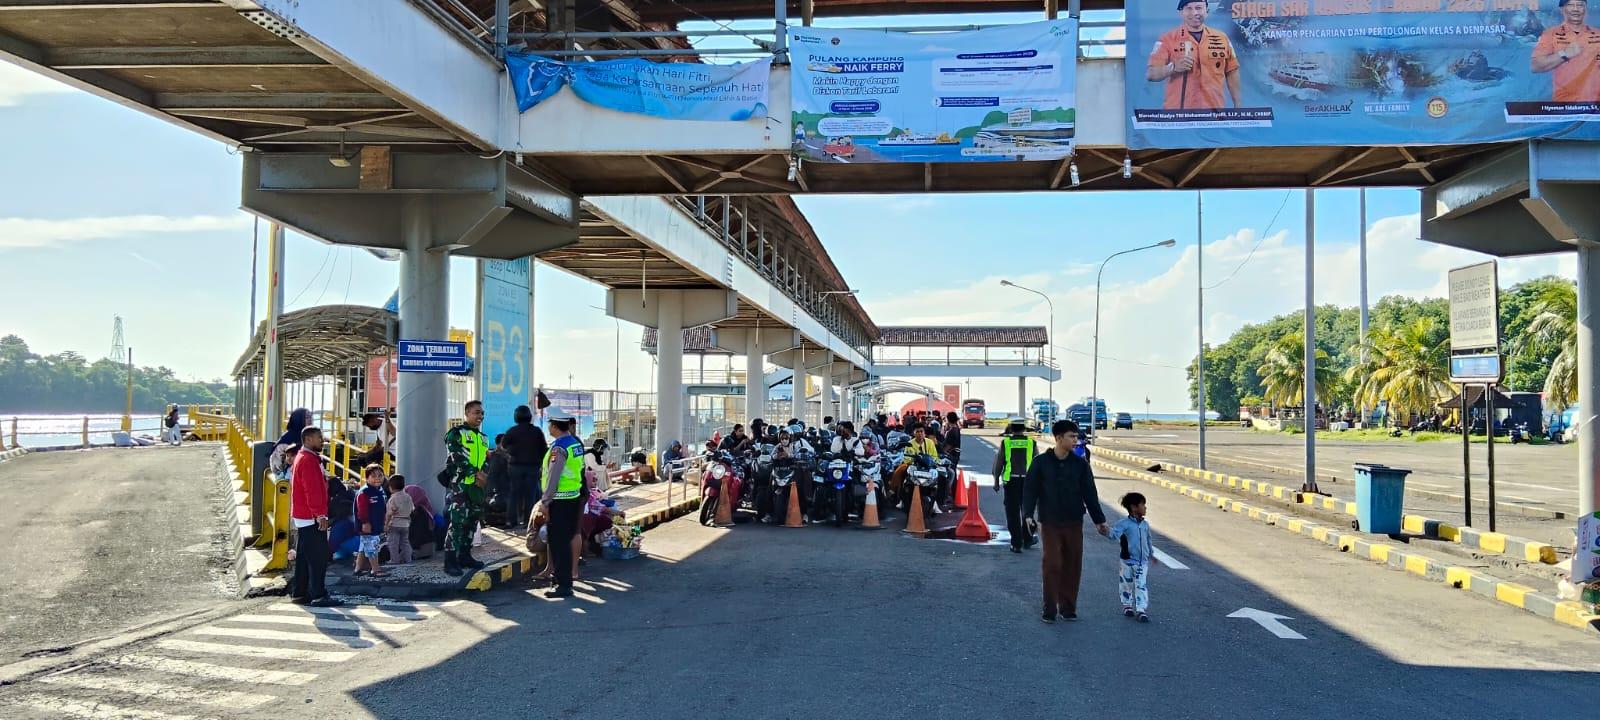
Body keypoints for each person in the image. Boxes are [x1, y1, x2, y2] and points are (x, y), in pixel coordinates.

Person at [1022, 419, 1109, 624]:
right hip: (1050, 522)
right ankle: (1049, 608)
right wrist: (1027, 515)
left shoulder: (1080, 465)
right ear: (1058, 438)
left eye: (1076, 436)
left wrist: (1099, 520)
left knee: (1072, 564)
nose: (1075, 440)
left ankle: (1068, 608)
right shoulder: (1041, 463)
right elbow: (1030, 490)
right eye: (1071, 436)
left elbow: (1090, 493)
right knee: (1052, 563)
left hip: (1073, 521)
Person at [1146, 0, 1242, 109]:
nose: (1194, 13)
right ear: (1181, 12)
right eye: (1189, 8)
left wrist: (1237, 103)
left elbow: (1232, 71)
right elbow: (1151, 74)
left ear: (1207, 11)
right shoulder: (1167, 39)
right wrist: (1173, 67)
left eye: (1198, 8)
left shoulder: (1222, 38)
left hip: (1214, 114)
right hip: (1178, 116)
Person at [289, 426, 342, 607]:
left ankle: (300, 593)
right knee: (318, 558)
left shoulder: (302, 458)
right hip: (311, 515)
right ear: (309, 439)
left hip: (303, 515)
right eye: (319, 437)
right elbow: (312, 490)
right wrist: (320, 514)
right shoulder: (309, 460)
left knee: (304, 557)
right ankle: (319, 594)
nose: (323, 440)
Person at [537, 415, 586, 599]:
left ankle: (563, 584)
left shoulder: (559, 448)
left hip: (559, 500)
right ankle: (562, 581)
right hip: (573, 496)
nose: (549, 428)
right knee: (565, 539)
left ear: (555, 426)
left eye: (550, 425)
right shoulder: (575, 443)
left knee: (558, 544)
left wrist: (545, 501)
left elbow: (553, 477)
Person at [441, 400, 490, 577]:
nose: (480, 416)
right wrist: (476, 474)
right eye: (477, 412)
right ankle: (450, 561)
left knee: (472, 521)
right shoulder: (456, 433)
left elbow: (485, 460)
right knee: (458, 523)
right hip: (460, 485)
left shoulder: (483, 438)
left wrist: (484, 474)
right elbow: (456, 457)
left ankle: (465, 555)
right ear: (467, 413)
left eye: (482, 413)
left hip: (476, 487)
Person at [1531, 0, 1600, 102]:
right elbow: (1535, 66)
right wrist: (1564, 54)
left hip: (1596, 106)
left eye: (1580, 5)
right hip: (1564, 106)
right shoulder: (1550, 34)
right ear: (1562, 9)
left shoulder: (1598, 34)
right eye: (1571, 5)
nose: (1576, 9)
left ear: (1585, 9)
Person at [1108, 492, 1158, 622]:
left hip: (1142, 562)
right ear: (1134, 507)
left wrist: (1151, 554)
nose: (1145, 508)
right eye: (1143, 505)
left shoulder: (1145, 525)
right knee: (1126, 584)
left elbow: (1148, 540)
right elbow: (1114, 535)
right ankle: (1127, 605)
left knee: (1141, 585)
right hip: (1127, 561)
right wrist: (1105, 530)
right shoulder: (1123, 523)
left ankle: (1141, 610)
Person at [991, 419, 1038, 553]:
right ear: (1024, 429)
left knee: (1012, 514)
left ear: (1011, 429)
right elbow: (1037, 464)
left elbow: (999, 463)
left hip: (1011, 482)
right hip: (1029, 483)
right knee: (1027, 512)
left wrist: (995, 481)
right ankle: (1028, 539)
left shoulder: (1006, 443)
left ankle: (1016, 543)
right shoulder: (1031, 443)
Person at [503, 405, 546, 529]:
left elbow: (504, 445)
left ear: (516, 416)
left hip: (515, 467)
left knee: (514, 494)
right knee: (530, 495)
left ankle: (511, 521)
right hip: (533, 467)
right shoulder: (537, 431)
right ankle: (528, 521)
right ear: (529, 416)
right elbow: (543, 449)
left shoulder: (512, 431)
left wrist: (513, 451)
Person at [353, 465, 389, 578]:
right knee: (372, 546)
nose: (377, 478)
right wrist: (365, 523)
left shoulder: (379, 491)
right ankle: (375, 569)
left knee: (364, 546)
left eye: (380, 475)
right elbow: (362, 510)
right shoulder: (364, 492)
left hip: (376, 523)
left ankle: (358, 569)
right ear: (367, 478)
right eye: (373, 476)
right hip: (368, 525)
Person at [891, 424, 940, 503]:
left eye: (921, 431)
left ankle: (937, 501)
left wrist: (934, 462)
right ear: (913, 433)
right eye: (917, 431)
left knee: (942, 475)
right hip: (914, 466)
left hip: (928, 466)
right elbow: (907, 459)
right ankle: (899, 496)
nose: (920, 433)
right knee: (901, 470)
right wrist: (912, 461)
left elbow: (934, 456)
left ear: (924, 433)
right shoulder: (909, 443)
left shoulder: (930, 442)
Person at [399, 476, 438, 559]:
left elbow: (417, 534)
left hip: (419, 550)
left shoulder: (420, 512)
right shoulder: (425, 510)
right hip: (424, 548)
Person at [270, 408, 313, 476]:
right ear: (298, 419)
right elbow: (279, 465)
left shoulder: (305, 436)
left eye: (311, 416)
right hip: (286, 474)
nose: (310, 419)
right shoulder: (288, 439)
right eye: (307, 417)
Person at [385, 474, 414, 565]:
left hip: (395, 523)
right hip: (406, 523)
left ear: (390, 487)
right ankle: (408, 559)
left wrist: (386, 524)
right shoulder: (408, 497)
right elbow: (412, 509)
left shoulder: (392, 498)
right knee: (405, 542)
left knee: (393, 543)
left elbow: (389, 513)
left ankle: (394, 560)